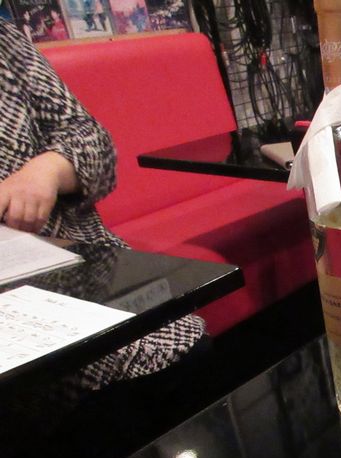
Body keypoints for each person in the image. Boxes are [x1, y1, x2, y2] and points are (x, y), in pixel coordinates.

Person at [0, 18, 207, 405]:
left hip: (81, 271)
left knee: (185, 352)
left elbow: (92, 140)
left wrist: (47, 169)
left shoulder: (5, 44)